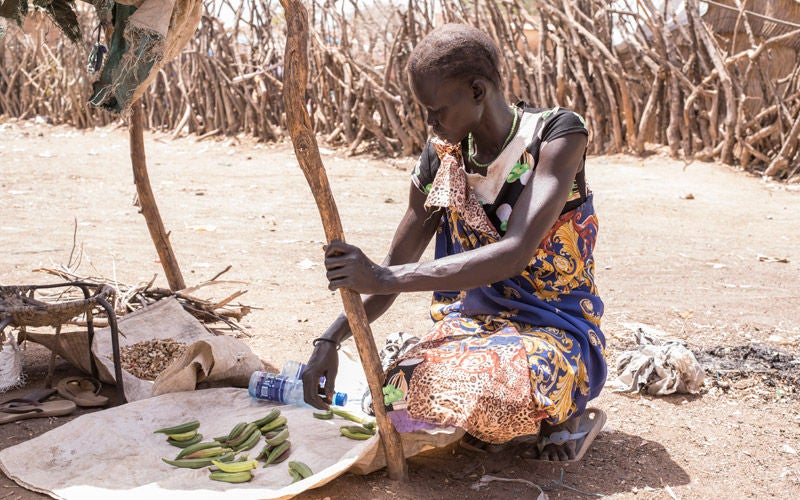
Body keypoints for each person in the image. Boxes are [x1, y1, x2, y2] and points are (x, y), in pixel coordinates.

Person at [301, 23, 607, 461]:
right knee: (391, 394)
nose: (430, 123)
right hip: (476, 327)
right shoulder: (442, 160)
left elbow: (515, 251)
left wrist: (386, 277)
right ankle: (490, 410)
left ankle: (565, 417)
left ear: (478, 91)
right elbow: (392, 265)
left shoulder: (557, 136)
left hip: (556, 329)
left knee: (488, 394)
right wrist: (328, 341)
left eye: (437, 110)